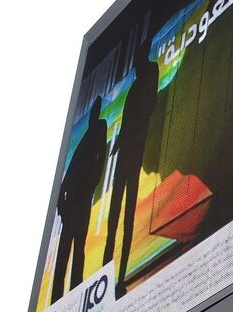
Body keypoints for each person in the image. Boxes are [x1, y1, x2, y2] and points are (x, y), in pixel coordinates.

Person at [103, 46, 159, 297]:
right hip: (124, 152)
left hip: (135, 151)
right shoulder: (135, 85)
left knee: (127, 215)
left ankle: (121, 275)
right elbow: (127, 119)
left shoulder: (150, 73)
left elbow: (149, 107)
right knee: (115, 213)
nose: (135, 65)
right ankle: (105, 273)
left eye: (137, 60)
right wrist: (118, 143)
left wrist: (132, 137)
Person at [52, 96, 107, 303]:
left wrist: (92, 184)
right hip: (73, 205)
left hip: (81, 202)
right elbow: (70, 173)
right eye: (93, 111)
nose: (94, 114)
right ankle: (57, 300)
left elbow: (99, 160)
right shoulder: (85, 141)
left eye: (96, 110)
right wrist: (62, 205)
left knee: (78, 251)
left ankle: (76, 295)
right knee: (65, 253)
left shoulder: (98, 131)